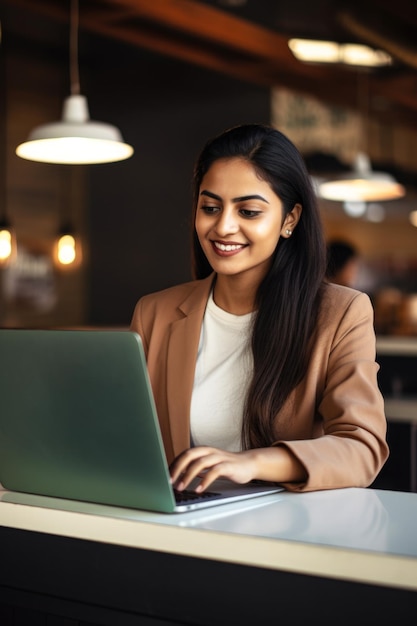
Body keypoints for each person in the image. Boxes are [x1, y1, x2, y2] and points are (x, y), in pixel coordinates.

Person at [130, 123, 388, 494]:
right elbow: (126, 433)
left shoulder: (341, 312)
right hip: (177, 522)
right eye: (210, 207)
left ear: (290, 219)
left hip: (286, 531)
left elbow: (362, 447)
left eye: (248, 211)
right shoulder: (155, 312)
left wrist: (251, 462)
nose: (223, 226)